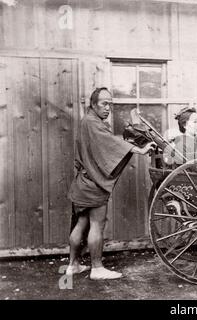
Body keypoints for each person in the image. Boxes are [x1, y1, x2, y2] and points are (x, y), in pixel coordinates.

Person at [67, 87, 156, 280]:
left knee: (81, 223)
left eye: (110, 104)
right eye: (104, 104)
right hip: (93, 184)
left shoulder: (87, 121)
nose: (108, 108)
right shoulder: (93, 124)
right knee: (97, 225)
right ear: (93, 104)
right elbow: (110, 143)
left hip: (81, 182)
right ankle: (97, 268)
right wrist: (139, 150)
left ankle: (73, 265)